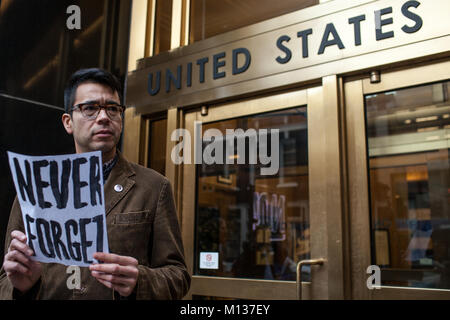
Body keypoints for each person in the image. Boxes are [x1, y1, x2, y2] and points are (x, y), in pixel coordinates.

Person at [0, 68, 190, 299]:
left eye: (112, 109)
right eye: (89, 108)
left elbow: (178, 277)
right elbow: (5, 280)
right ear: (68, 122)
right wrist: (22, 287)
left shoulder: (153, 186)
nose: (103, 117)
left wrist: (140, 281)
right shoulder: (36, 188)